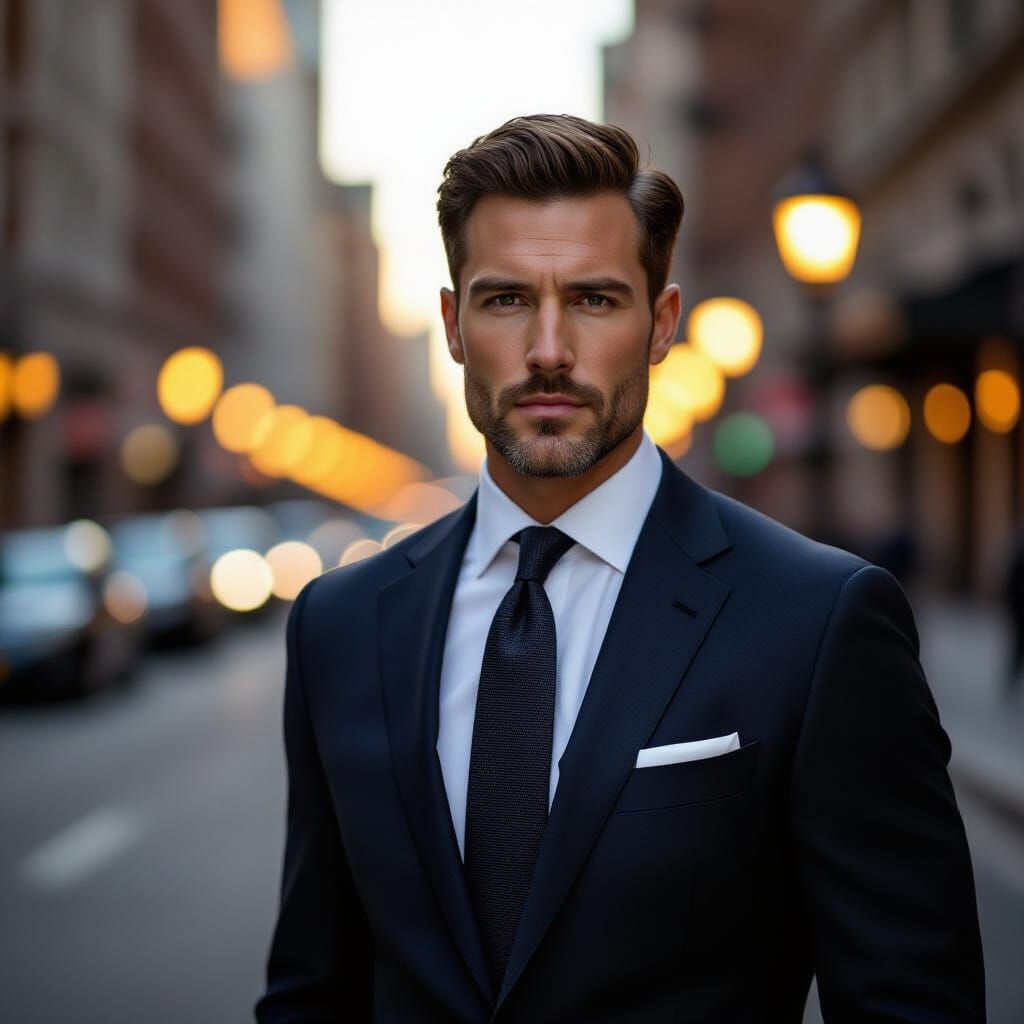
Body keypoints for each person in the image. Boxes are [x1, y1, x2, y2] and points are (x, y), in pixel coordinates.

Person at [255, 114, 985, 1022]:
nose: (549, 349)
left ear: (661, 324)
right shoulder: (339, 623)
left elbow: (911, 1003)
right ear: (451, 323)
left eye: (595, 299)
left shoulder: (819, 619)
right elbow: (310, 991)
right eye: (506, 299)